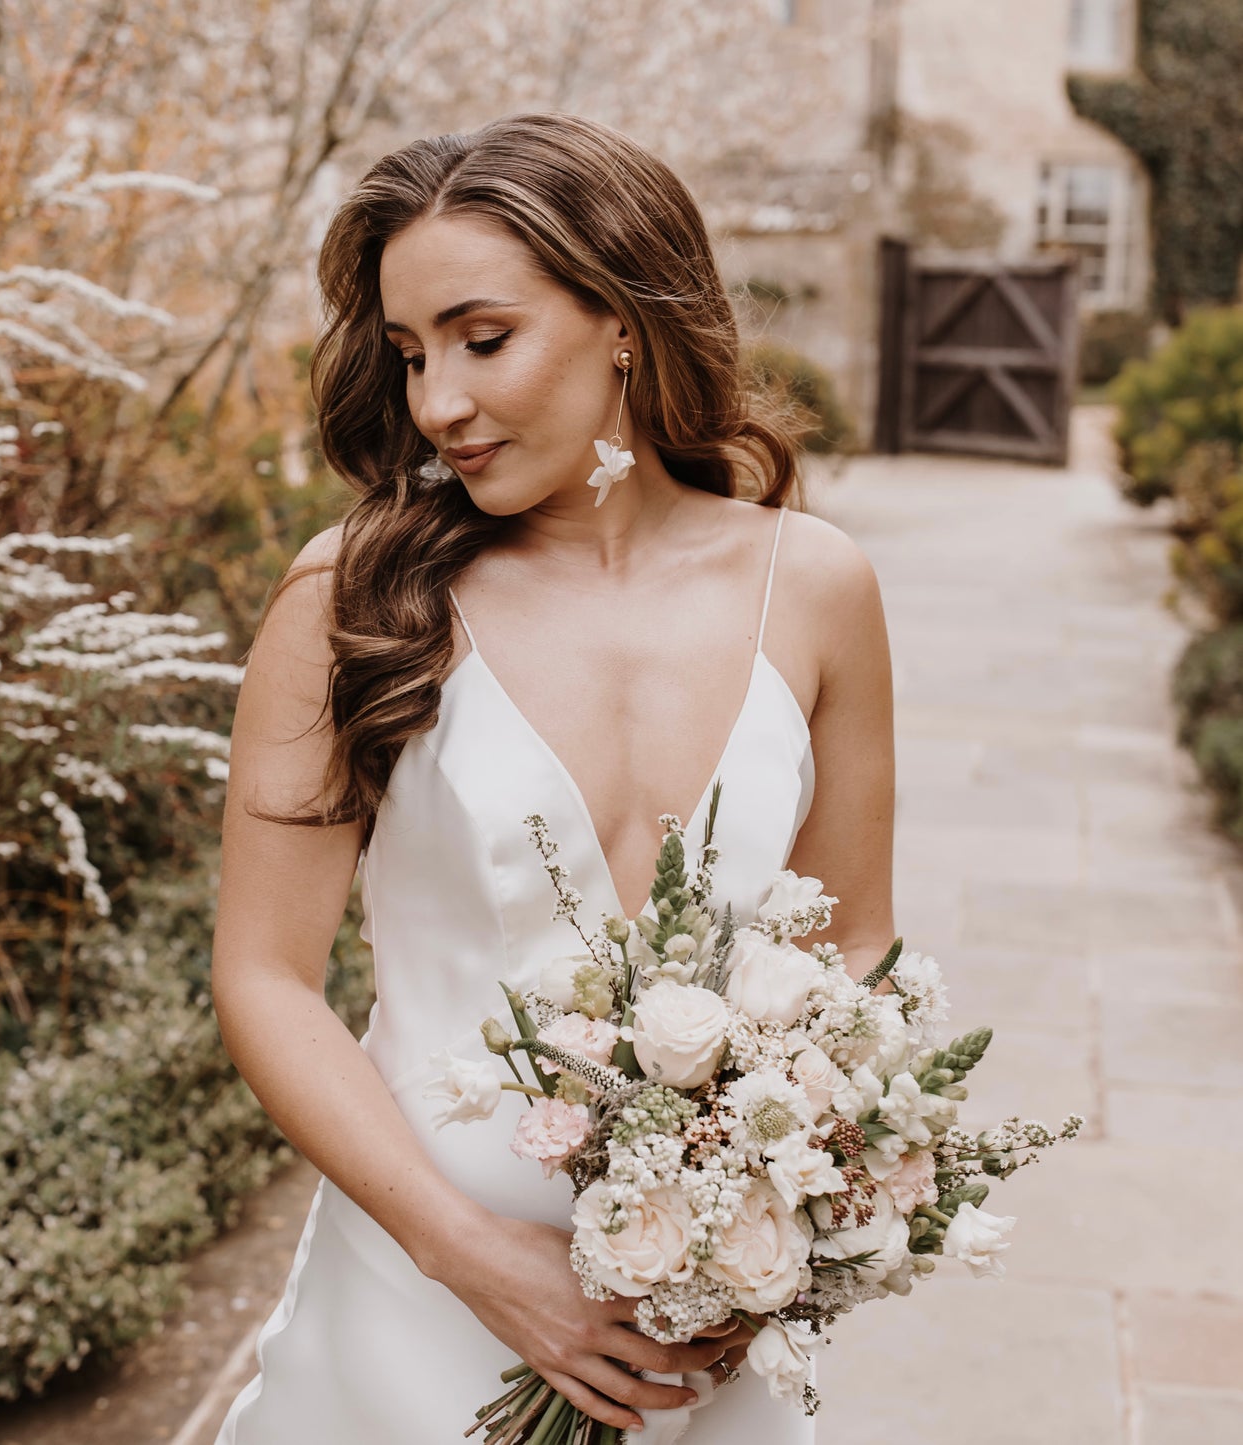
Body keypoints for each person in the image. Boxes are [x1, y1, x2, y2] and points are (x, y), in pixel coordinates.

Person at [211, 112, 895, 1444]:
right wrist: (467, 1253)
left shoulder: (812, 586)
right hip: (415, 1303)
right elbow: (264, 974)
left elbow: (855, 935)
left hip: (699, 1333)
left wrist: (780, 1211)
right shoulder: (351, 596)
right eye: (409, 355)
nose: (436, 404)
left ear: (623, 318)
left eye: (482, 338)